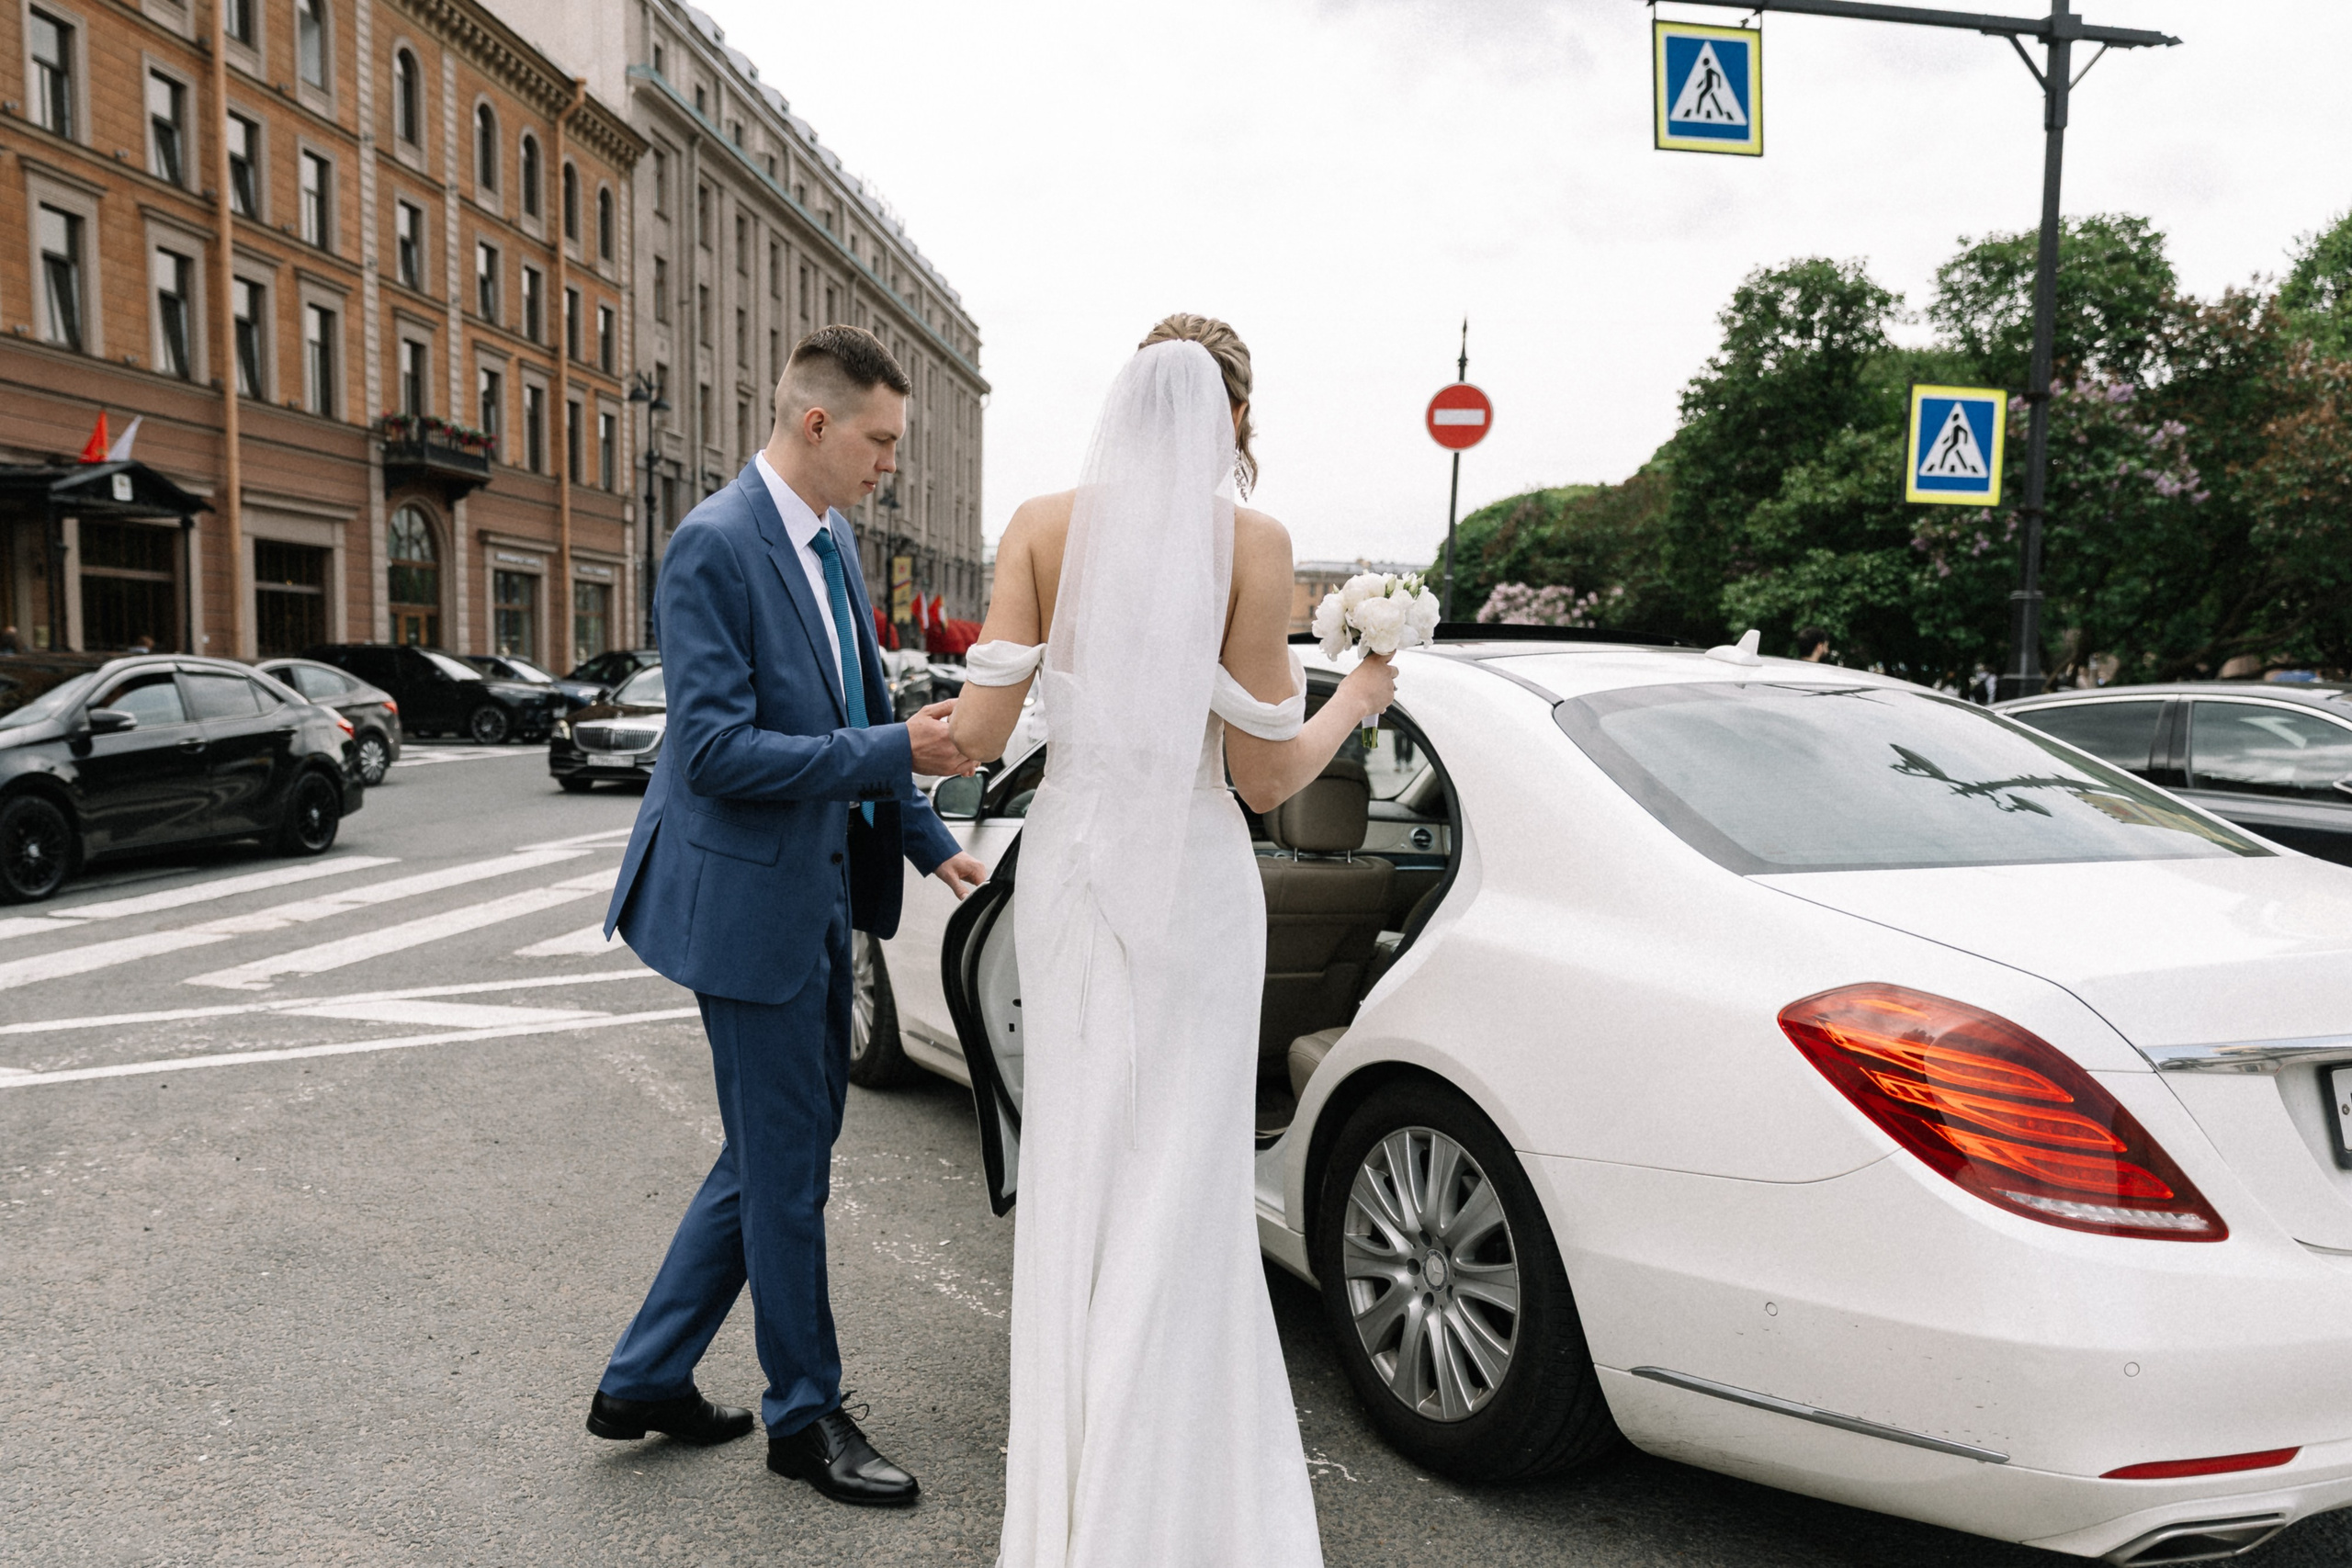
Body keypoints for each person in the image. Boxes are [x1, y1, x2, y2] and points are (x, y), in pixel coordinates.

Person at [949, 316, 1396, 1567]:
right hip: (1194, 876)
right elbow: (1264, 777)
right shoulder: (1251, 543)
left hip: (1072, 864)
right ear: (1234, 421)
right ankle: (1174, 1506)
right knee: (1180, 1182)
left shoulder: (1040, 522)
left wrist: (921, 735)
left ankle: (1073, 1508)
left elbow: (983, 736)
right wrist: (1356, 696)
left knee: (1081, 1161)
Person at [587, 326, 987, 1506]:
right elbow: (711, 751)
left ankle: (645, 1378)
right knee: (788, 1169)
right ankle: (802, 1417)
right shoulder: (711, 544)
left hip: (820, 892)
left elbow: (861, 701)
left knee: (776, 1151)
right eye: (879, 440)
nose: (888, 465)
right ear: (816, 423)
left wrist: (927, 841)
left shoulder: (835, 542)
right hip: (744, 907)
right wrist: (888, 748)